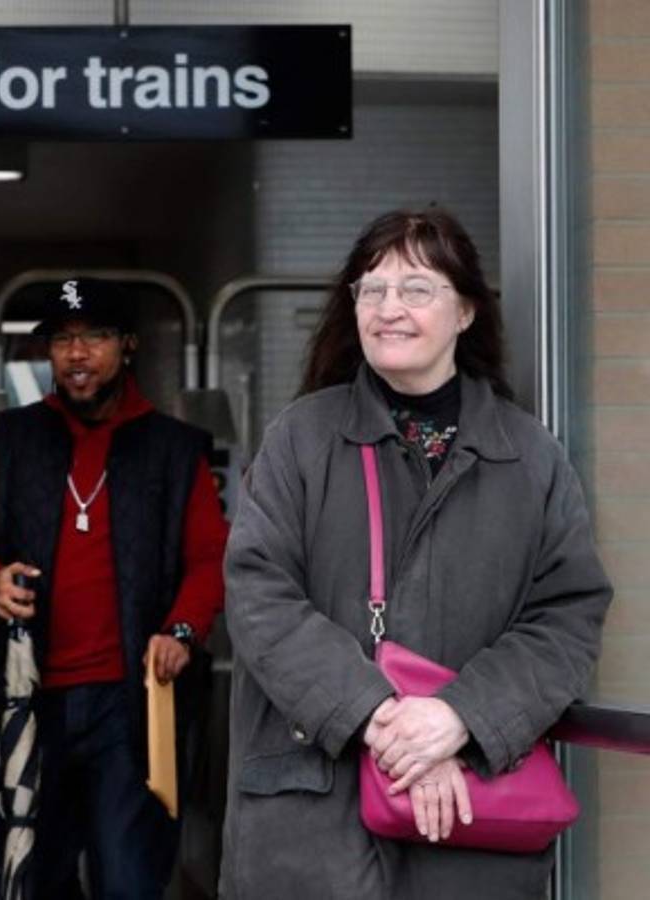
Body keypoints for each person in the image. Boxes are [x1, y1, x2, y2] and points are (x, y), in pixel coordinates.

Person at [220, 208, 612, 900]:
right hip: (313, 828)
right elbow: (258, 594)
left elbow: (566, 615)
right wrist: (378, 716)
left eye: (416, 288)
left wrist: (459, 716)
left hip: (467, 831)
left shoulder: (529, 458)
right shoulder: (301, 439)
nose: (388, 308)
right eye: (371, 289)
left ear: (465, 311)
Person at [0, 277, 229, 898]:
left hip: (130, 705)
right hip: (29, 699)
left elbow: (210, 559)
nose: (76, 354)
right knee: (34, 876)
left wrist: (182, 630)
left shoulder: (175, 449)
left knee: (127, 879)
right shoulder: (13, 437)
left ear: (127, 345)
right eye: (62, 340)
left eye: (94, 336)